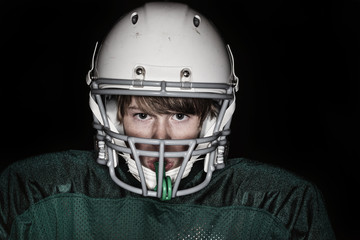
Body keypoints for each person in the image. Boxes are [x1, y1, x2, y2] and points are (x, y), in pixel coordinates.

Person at [0, 2, 335, 239]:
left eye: (180, 114)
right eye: (143, 115)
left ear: (210, 119)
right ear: (113, 117)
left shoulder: (282, 204)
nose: (161, 139)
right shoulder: (36, 192)